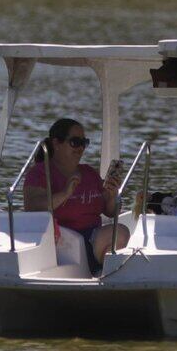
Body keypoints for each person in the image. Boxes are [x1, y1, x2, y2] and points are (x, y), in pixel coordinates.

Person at [23, 118, 128, 276]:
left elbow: (110, 211)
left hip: (93, 241)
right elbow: (33, 206)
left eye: (83, 142)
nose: (80, 148)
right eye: (75, 142)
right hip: (61, 245)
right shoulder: (39, 173)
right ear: (56, 143)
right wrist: (64, 194)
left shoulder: (89, 173)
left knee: (121, 232)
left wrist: (113, 195)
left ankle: (106, 278)